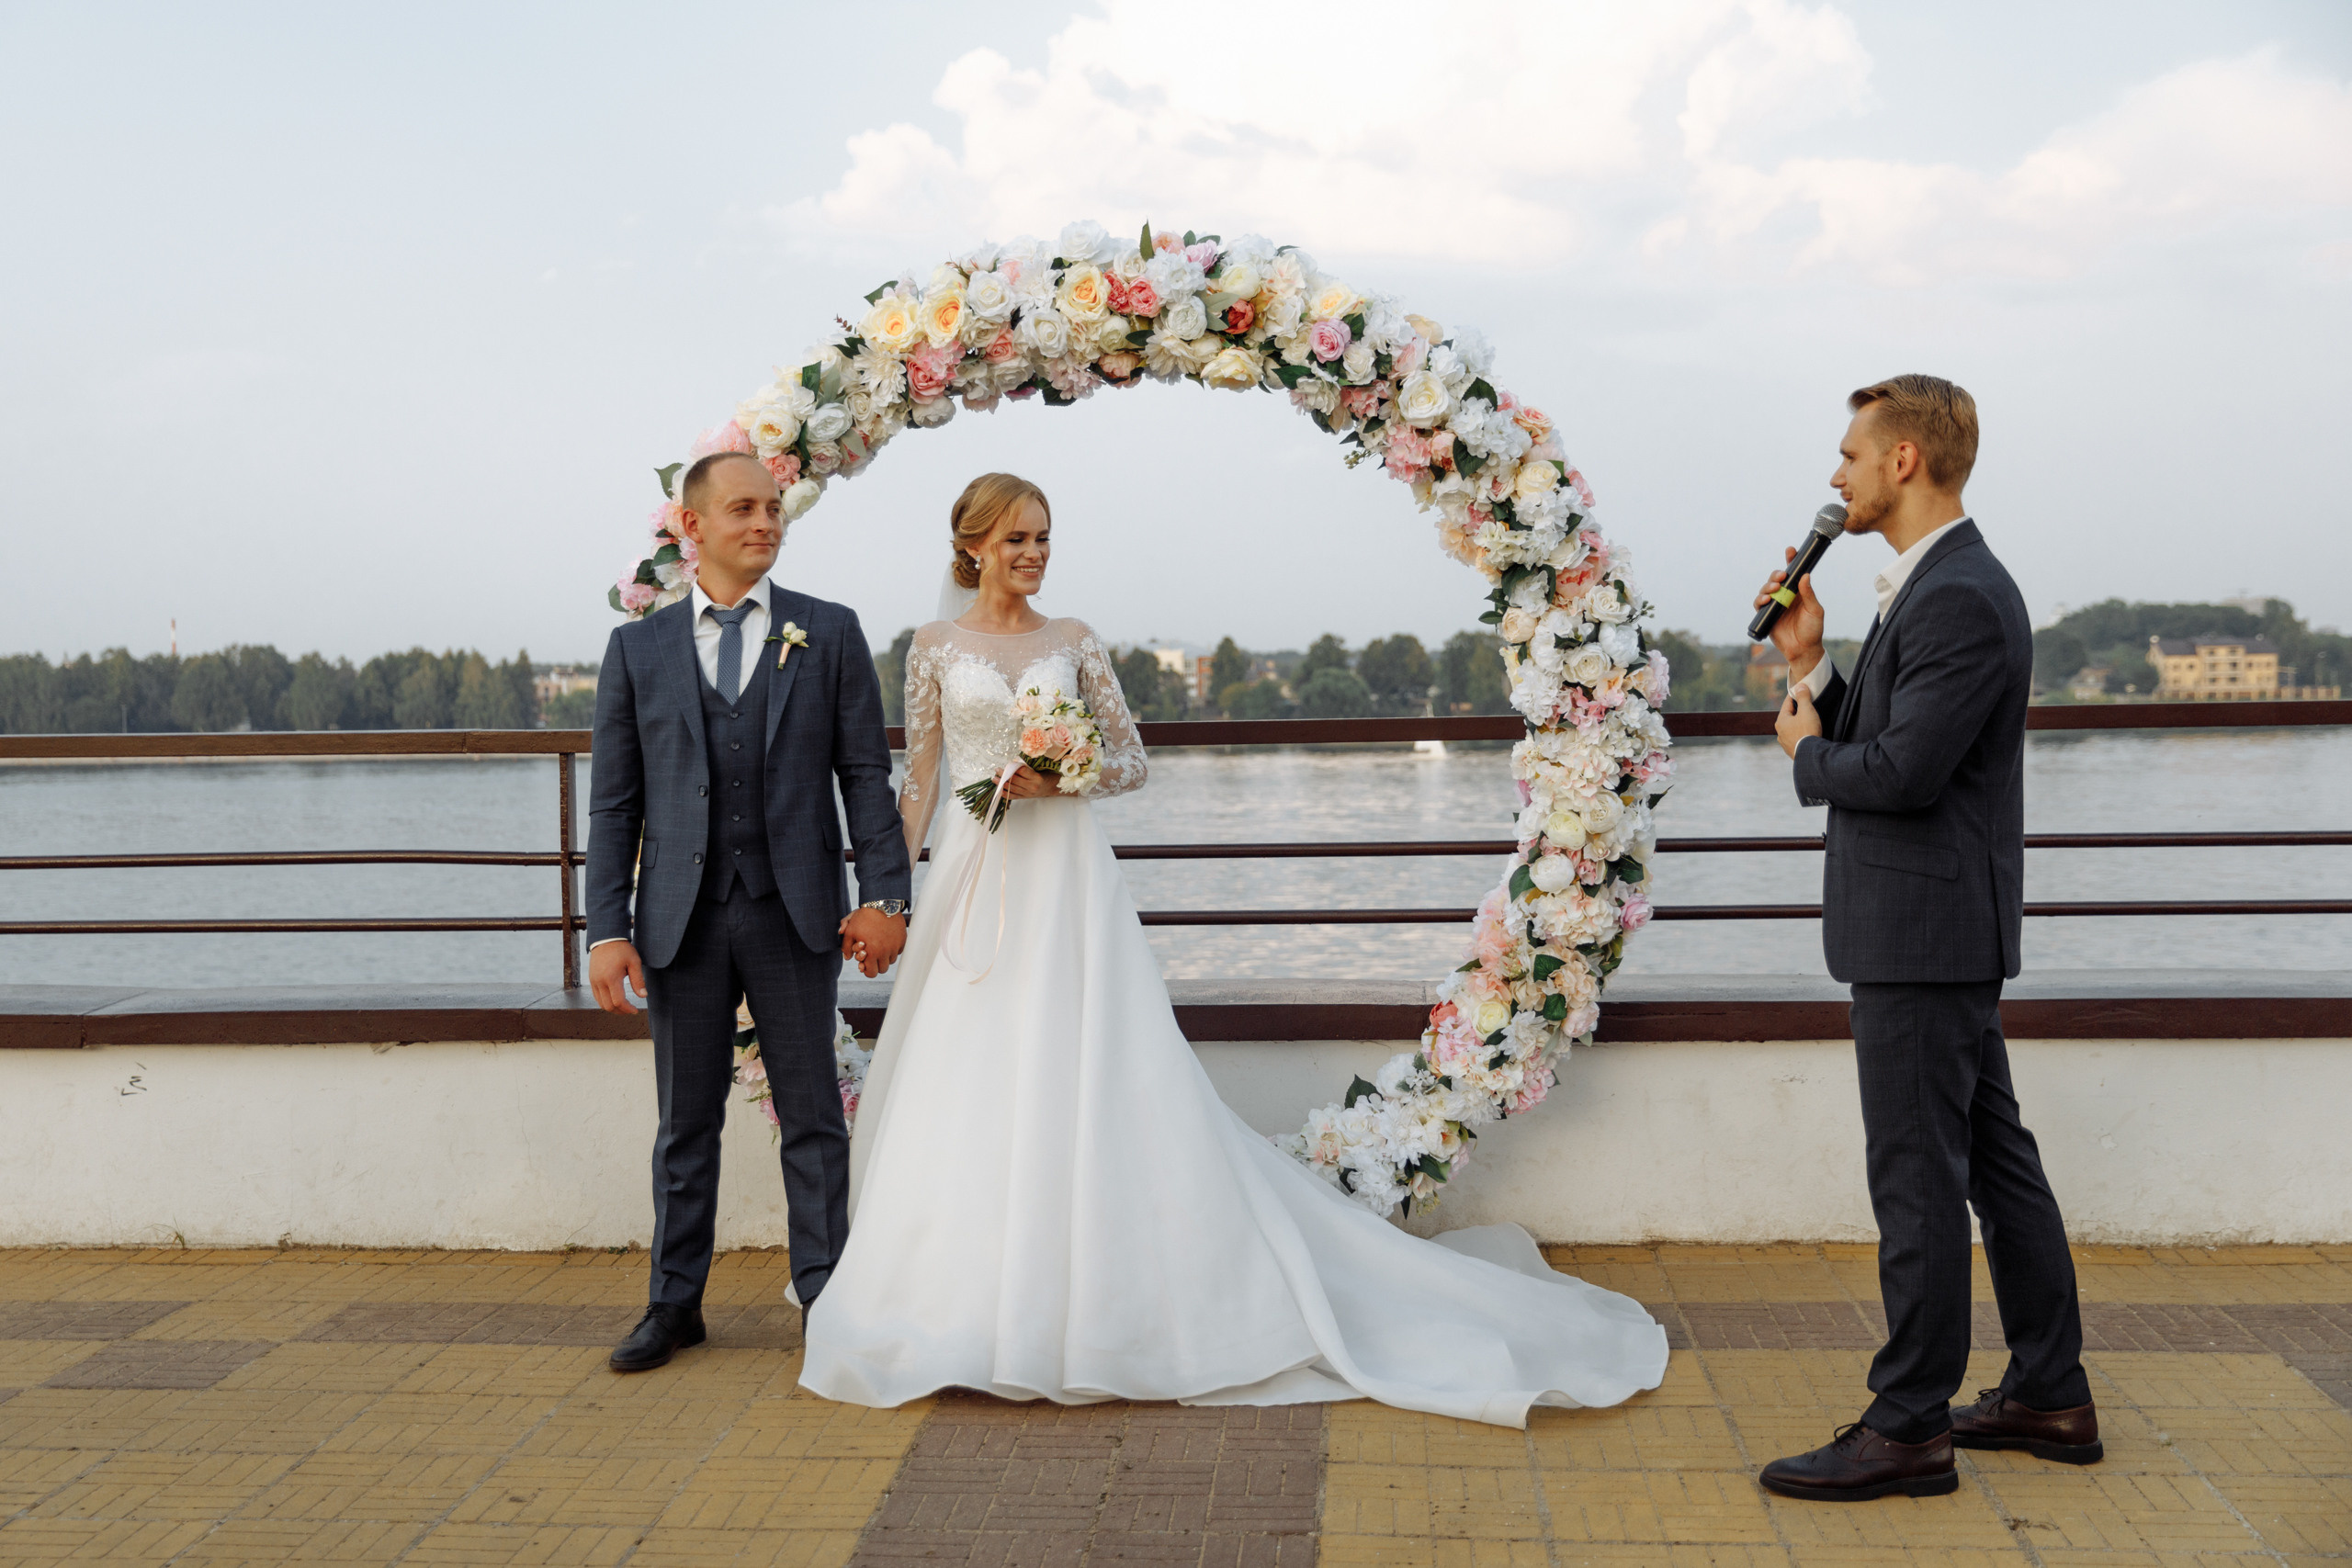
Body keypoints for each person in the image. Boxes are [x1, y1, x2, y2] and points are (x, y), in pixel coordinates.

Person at [797, 472, 1669, 1427]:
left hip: (1066, 886)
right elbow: (918, 779)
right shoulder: (931, 648)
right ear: (970, 546)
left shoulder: (1074, 641)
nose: (1034, 553)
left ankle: (1099, 1296)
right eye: (1014, 540)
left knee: (1082, 1061)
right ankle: (956, 1297)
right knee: (969, 1070)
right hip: (972, 876)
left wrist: (1063, 770)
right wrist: (890, 894)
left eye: (1043, 536)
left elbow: (1129, 759)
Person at [1753, 377, 2097, 1501]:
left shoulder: (1955, 594)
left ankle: (1907, 1426)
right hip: (1939, 930)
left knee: (1916, 1181)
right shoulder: (1933, 588)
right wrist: (1810, 664)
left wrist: (1806, 758)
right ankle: (2049, 1391)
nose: (1835, 476)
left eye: (1848, 455)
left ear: (1904, 459)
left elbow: (1899, 772)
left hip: (1921, 935)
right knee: (1994, 1162)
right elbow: (1896, 736)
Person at [585, 449, 912, 1372]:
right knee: (685, 1124)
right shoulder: (635, 650)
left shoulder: (830, 632)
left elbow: (862, 778)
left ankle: (827, 1296)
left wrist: (886, 896)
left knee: (813, 1116)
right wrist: (607, 930)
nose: (765, 523)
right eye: (743, 510)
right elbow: (615, 805)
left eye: (773, 509)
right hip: (679, 919)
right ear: (692, 527)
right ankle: (673, 1305)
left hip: (794, 912)